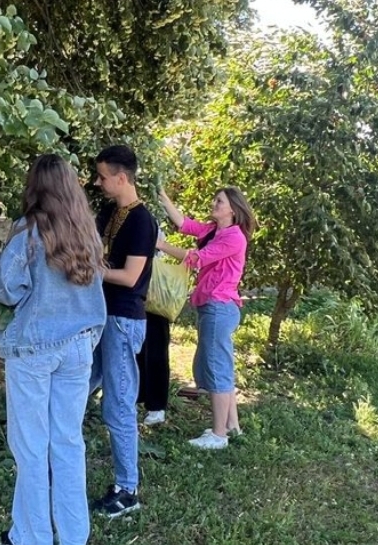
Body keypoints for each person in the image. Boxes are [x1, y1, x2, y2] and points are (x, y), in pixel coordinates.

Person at [0, 154, 107, 545]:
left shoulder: (29, 233)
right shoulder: (88, 231)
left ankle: (33, 544)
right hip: (78, 347)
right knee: (68, 443)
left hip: (36, 350)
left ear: (34, 185)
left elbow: (8, 290)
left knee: (32, 447)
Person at [157, 186, 257, 450]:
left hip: (219, 307)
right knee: (217, 365)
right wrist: (163, 198)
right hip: (212, 307)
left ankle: (218, 435)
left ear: (233, 209)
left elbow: (196, 259)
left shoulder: (234, 237)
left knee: (216, 368)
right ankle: (232, 426)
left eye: (219, 201)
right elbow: (184, 224)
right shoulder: (213, 231)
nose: (214, 204)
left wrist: (159, 244)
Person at [89, 145, 157, 517]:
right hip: (101, 315)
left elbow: (130, 277)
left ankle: (127, 490)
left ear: (121, 177)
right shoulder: (108, 212)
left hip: (123, 318)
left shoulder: (142, 221)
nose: (98, 183)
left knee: (118, 404)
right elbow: (95, 249)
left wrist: (92, 271)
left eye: (102, 176)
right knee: (79, 384)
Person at [136, 308, 170, 426]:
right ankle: (136, 398)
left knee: (156, 351)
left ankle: (156, 406)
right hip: (136, 303)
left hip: (155, 308)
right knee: (136, 352)